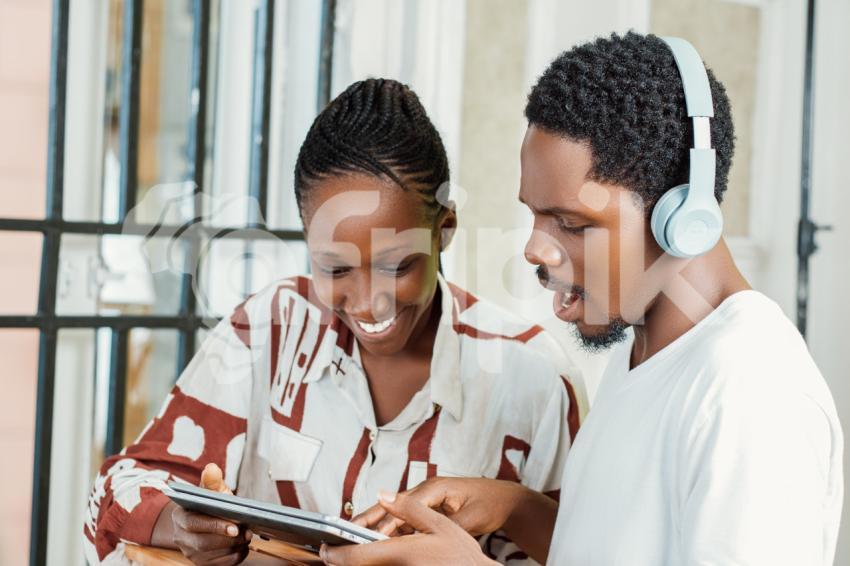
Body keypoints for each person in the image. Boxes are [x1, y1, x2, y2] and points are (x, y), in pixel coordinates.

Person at [322, 32, 844, 566]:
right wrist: (515, 507)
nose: (534, 248)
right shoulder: (645, 352)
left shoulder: (753, 394)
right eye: (535, 214)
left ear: (683, 218)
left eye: (571, 223)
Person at [82, 78, 584, 566]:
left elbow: (583, 548)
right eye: (335, 269)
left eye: (396, 266)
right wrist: (181, 525)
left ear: (444, 229)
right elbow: (119, 485)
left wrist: (513, 506)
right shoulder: (269, 328)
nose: (367, 304)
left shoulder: (532, 376)